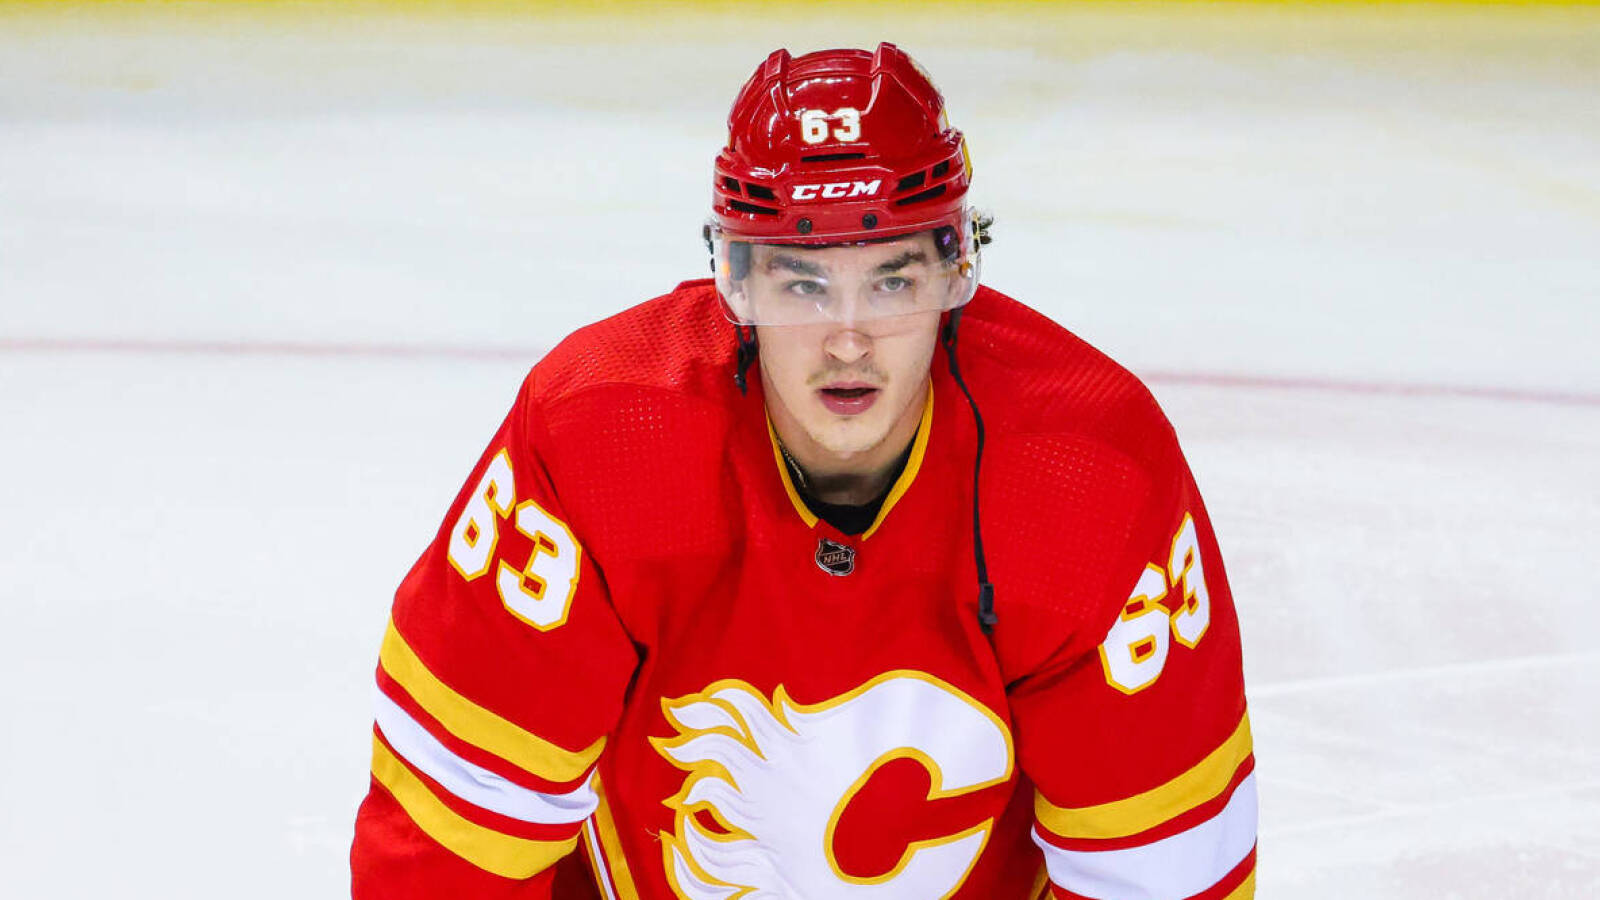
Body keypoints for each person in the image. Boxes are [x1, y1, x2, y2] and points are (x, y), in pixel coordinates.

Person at [350, 42, 1256, 900]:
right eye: (804, 285)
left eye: (892, 280)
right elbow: (451, 840)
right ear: (736, 283)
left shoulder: (1091, 478)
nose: (848, 340)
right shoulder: (600, 439)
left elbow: (1161, 874)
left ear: (956, 274)